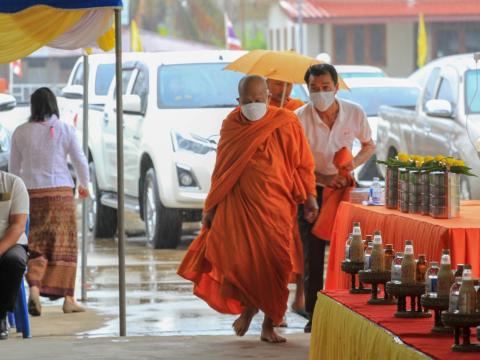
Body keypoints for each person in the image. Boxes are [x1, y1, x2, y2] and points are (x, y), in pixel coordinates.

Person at [178, 75, 318, 343]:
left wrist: (310, 195)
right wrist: (211, 206)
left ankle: (268, 324)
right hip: (239, 204)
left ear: (268, 98)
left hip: (277, 205)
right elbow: (222, 167)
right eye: (247, 101)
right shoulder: (232, 124)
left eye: (258, 100)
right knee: (241, 263)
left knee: (276, 265)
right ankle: (250, 308)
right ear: (238, 101)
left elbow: (302, 162)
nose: (254, 105)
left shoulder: (286, 121)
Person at [295, 64, 376, 333]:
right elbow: (295, 162)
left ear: (336, 87)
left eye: (326, 88)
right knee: (313, 256)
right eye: (314, 89)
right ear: (307, 89)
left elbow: (369, 145)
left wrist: (351, 165)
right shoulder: (299, 118)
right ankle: (314, 315)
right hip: (311, 191)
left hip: (344, 189)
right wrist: (321, 179)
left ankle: (351, 312)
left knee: (349, 253)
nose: (320, 93)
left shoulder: (354, 112)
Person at [9, 87, 90, 316]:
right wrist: (84, 185)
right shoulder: (65, 129)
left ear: (33, 106)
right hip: (61, 195)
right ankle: (68, 299)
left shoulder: (20, 132)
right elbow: (80, 161)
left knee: (35, 245)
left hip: (32, 195)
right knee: (64, 247)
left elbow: (14, 170)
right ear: (53, 105)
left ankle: (34, 288)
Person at [267, 78, 307, 321]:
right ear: (266, 84)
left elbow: (303, 147)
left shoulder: (298, 108)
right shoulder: (260, 109)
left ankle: (300, 297)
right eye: (278, 84)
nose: (285, 90)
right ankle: (273, 306)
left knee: (299, 246)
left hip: (293, 182)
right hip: (269, 185)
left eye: (289, 85)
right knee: (274, 249)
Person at [0, 172, 29, 340]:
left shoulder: (13, 183)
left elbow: (18, 226)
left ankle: (0, 315)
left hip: (11, 242)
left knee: (14, 261)